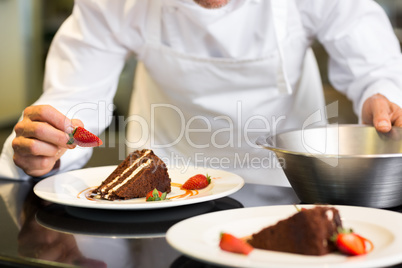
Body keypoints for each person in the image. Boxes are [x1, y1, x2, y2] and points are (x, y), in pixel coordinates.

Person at [1, 0, 402, 186]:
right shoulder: (111, 3)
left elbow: (375, 63)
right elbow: (73, 103)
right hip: (163, 190)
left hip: (294, 184)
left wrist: (383, 95)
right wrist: (47, 146)